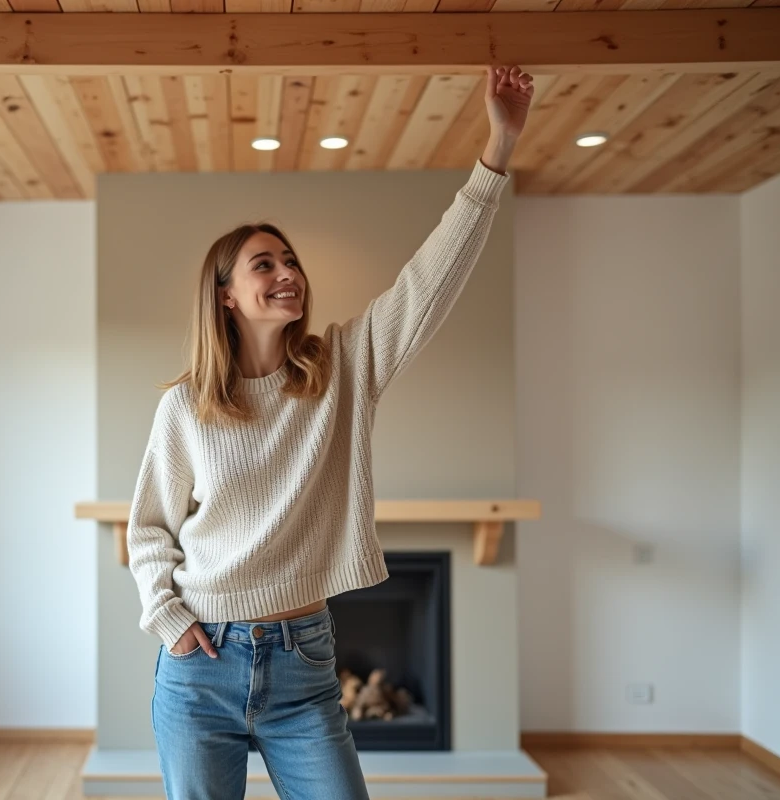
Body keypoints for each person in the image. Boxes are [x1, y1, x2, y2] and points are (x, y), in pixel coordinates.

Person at [126, 64, 535, 800]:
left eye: (291, 261)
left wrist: (497, 149)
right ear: (225, 296)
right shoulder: (187, 406)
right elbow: (149, 528)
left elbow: (429, 281)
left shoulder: (342, 367)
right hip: (200, 664)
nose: (288, 273)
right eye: (264, 264)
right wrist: (168, 618)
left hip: (302, 661)